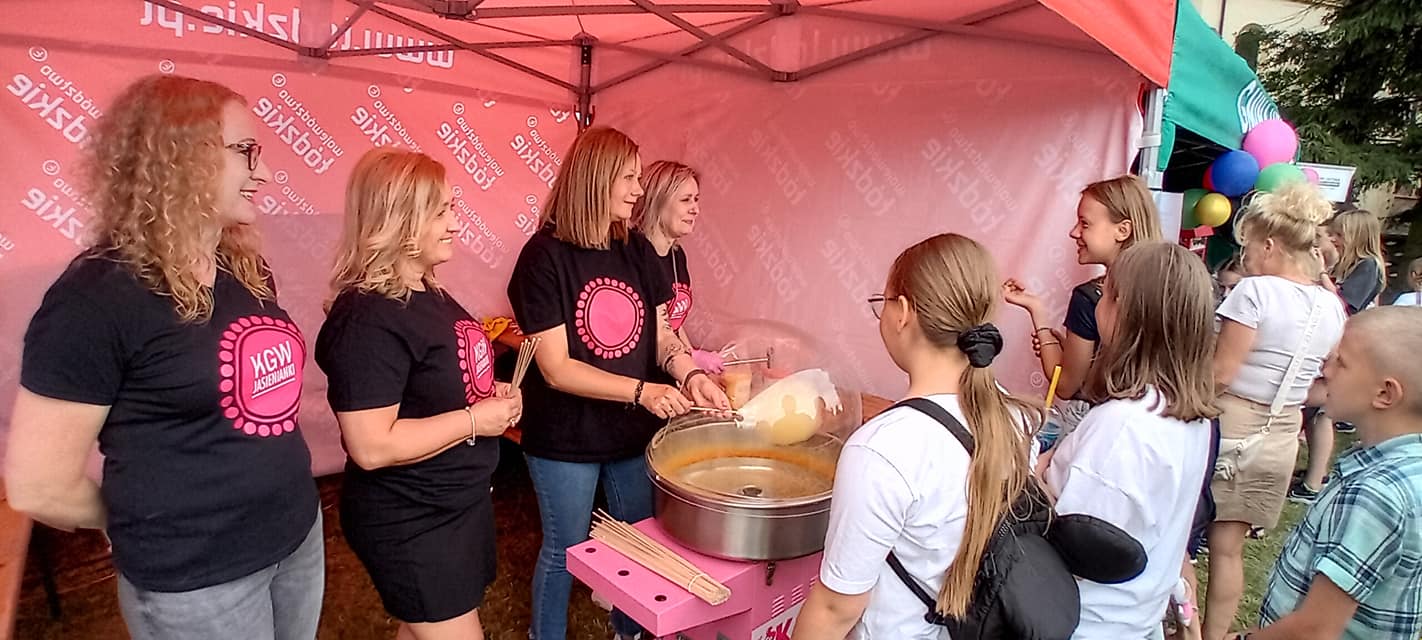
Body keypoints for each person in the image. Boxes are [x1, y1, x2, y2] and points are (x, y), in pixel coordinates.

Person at [3, 75, 323, 640]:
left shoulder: (244, 270)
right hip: (200, 582)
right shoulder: (96, 299)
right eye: (246, 151)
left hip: (295, 537)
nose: (266, 174)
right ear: (178, 156)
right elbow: (37, 484)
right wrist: (133, 521)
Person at [507, 126, 731, 640]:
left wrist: (690, 373)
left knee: (640, 542)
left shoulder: (634, 248)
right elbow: (556, 368)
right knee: (566, 549)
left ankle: (629, 631)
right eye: (628, 178)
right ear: (595, 179)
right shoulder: (543, 257)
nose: (638, 189)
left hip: (630, 434)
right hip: (565, 438)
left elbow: (662, 334)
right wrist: (642, 392)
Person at [314, 148, 523, 640]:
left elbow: (431, 383)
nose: (455, 224)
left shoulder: (427, 290)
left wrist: (482, 390)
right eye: (441, 211)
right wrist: (475, 421)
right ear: (399, 219)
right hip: (412, 517)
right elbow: (371, 445)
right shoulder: (368, 316)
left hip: (454, 505)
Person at [794, 233, 1040, 639]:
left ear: (903, 312)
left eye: (885, 301)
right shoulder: (1014, 416)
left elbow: (836, 608)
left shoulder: (882, 449)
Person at [1043, 242, 1218, 639]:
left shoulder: (1123, 427)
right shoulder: (1187, 414)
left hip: (1084, 622)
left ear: (1123, 311)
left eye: (1105, 292)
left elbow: (1079, 540)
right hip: (1133, 617)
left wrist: (1034, 477)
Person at [1204, 182, 1346, 640]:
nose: (1244, 256)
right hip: (1283, 430)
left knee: (1182, 534)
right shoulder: (1331, 306)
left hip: (1230, 422)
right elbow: (1327, 379)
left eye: (1247, 245)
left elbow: (1221, 373)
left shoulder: (1254, 293)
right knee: (1229, 550)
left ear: (1269, 245)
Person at [1233, 306, 1422, 640]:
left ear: (1385, 393)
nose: (1326, 370)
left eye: (1341, 362)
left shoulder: (1374, 494)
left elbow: (1315, 629)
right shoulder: (1407, 466)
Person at [1004, 175, 1162, 451]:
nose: (1074, 232)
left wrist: (1040, 319)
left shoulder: (1088, 299)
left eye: (1085, 223)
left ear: (1123, 230)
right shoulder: (1164, 289)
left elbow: (1064, 384)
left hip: (1094, 431)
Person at [629, 160, 725, 373]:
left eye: (696, 199)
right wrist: (690, 363)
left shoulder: (676, 255)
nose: (696, 209)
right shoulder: (633, 254)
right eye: (685, 200)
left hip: (670, 372)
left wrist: (692, 356)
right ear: (658, 202)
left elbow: (672, 323)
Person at [1327, 209, 1387, 315]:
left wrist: (1322, 274)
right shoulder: (1343, 262)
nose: (1332, 239)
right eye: (1331, 234)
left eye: (1339, 235)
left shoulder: (1368, 265)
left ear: (1357, 239)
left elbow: (1344, 304)